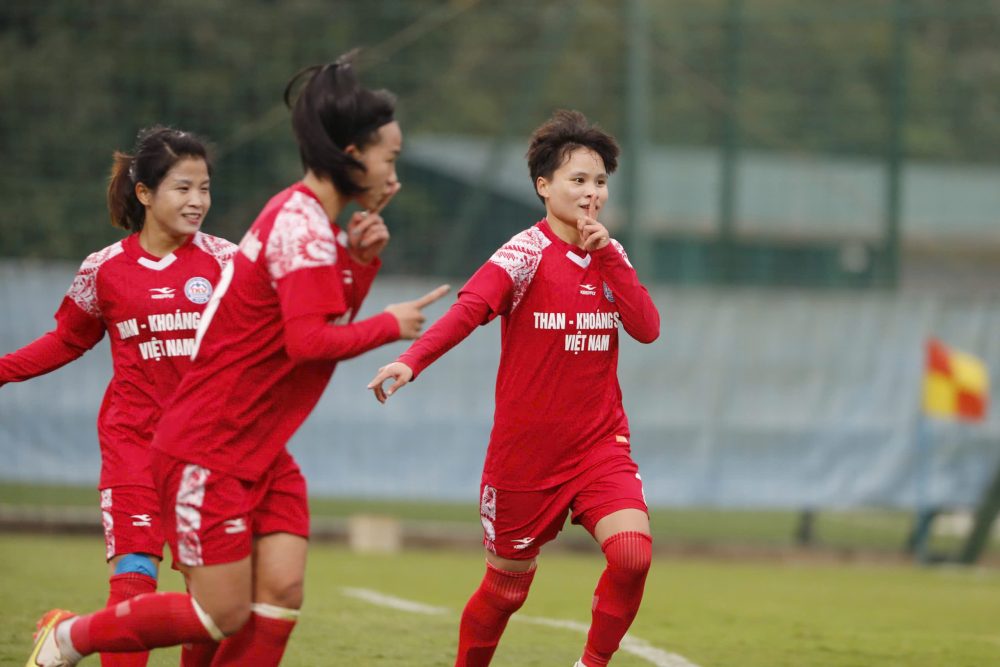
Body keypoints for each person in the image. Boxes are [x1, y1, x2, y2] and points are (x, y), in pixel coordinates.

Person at [27, 51, 448, 667]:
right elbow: (309, 344)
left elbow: (310, 330)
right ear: (353, 154)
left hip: (259, 446)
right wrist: (392, 325)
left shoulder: (314, 225)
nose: (396, 171)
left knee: (279, 596)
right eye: (391, 156)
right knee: (218, 614)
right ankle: (68, 639)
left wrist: (358, 262)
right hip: (211, 445)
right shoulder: (298, 225)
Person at [368, 109, 660, 667]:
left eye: (600, 181)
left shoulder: (611, 255)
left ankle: (590, 665)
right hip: (525, 459)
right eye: (578, 180)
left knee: (632, 556)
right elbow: (469, 310)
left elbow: (646, 328)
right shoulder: (522, 255)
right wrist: (411, 361)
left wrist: (608, 258)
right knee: (507, 591)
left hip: (600, 447)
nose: (592, 192)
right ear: (543, 187)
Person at [3, 126, 235, 667]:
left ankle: (68, 631)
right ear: (145, 193)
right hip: (133, 444)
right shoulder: (103, 269)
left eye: (204, 188)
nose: (198, 201)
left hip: (208, 452)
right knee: (134, 581)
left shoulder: (228, 261)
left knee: (212, 607)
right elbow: (66, 339)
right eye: (183, 188)